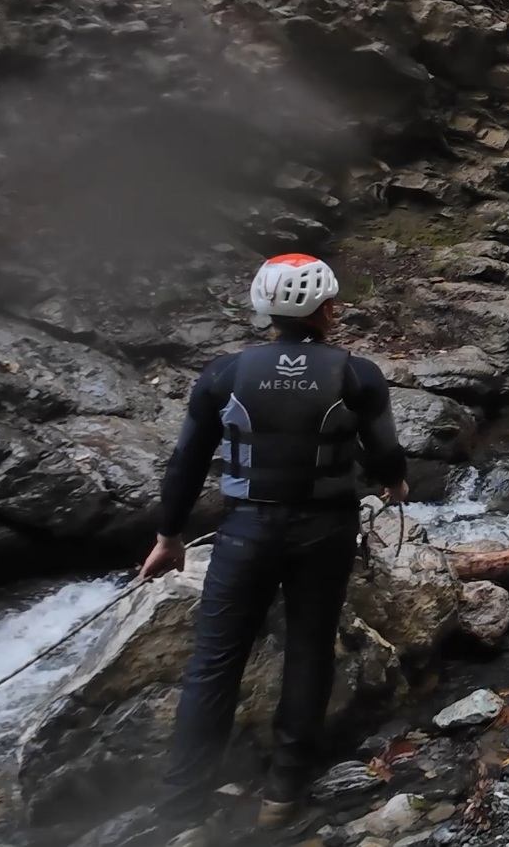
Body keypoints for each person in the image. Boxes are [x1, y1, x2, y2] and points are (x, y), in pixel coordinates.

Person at [138, 253, 408, 831]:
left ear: (265, 308)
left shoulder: (223, 374)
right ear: (326, 309)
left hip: (244, 532)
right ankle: (282, 792)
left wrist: (169, 535)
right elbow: (383, 450)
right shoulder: (356, 374)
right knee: (308, 652)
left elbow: (186, 460)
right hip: (324, 531)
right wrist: (394, 480)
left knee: (214, 664)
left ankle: (181, 811)